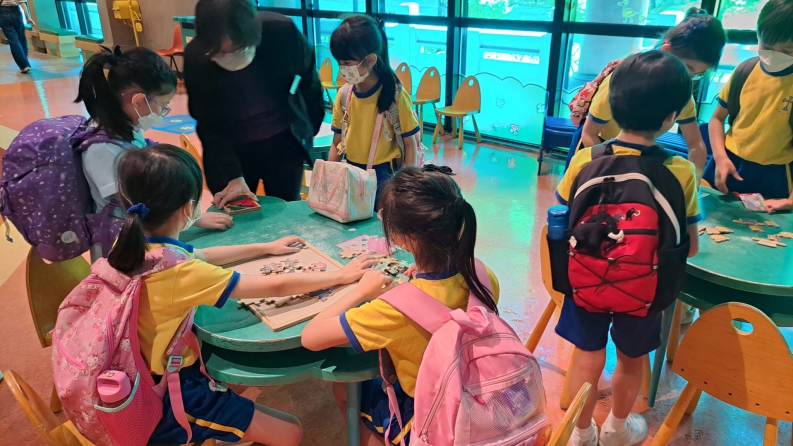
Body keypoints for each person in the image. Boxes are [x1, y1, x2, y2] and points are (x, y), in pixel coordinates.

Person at [109, 144, 378, 445]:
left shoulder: (134, 243)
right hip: (163, 396)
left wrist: (266, 248)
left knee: (244, 397)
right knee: (290, 432)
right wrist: (342, 276)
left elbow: (202, 254)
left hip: (137, 369)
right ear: (188, 209)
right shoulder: (179, 273)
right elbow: (274, 286)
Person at [556, 51, 700, 446]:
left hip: (586, 280)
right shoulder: (681, 171)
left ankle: (581, 433)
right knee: (631, 358)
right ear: (671, 117)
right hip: (644, 290)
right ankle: (618, 430)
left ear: (613, 106)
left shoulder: (584, 160)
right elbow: (690, 248)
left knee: (587, 355)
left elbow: (563, 217)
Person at [302, 166, 500, 445]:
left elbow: (310, 338)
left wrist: (360, 291)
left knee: (344, 389)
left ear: (402, 238)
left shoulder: (393, 310)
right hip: (478, 396)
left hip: (430, 415)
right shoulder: (481, 273)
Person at [76, 47, 232, 262]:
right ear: (139, 100)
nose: (164, 113)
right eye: (163, 105)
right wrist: (193, 219)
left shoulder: (128, 128)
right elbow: (135, 198)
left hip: (144, 236)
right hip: (124, 248)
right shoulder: (103, 148)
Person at [184, 0, 324, 206]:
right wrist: (232, 176)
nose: (228, 56)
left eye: (236, 49)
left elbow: (309, 82)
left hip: (284, 145)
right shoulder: (198, 58)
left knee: (286, 207)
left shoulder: (281, 32)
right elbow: (208, 125)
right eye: (219, 52)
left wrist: (307, 129)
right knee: (237, 212)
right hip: (233, 151)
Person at [569, 8, 726, 178]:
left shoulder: (682, 93)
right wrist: (615, 169)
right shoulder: (624, 79)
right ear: (666, 49)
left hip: (632, 154)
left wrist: (693, 183)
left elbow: (696, 145)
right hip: (596, 147)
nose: (688, 77)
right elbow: (589, 133)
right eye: (687, 68)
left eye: (696, 74)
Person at [706, 0, 793, 212]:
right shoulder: (744, 71)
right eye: (767, 47)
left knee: (766, 227)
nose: (775, 55)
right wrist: (720, 157)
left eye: (788, 51)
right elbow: (716, 119)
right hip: (729, 161)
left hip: (775, 174)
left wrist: (791, 201)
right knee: (713, 217)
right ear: (758, 35)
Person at [329, 15, 420, 204]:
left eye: (347, 64)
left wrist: (408, 186)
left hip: (384, 175)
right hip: (351, 171)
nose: (343, 70)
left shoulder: (395, 95)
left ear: (370, 60)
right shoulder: (344, 95)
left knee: (381, 220)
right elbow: (336, 142)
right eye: (339, 63)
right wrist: (329, 177)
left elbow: (409, 143)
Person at [0, 0, 35, 73]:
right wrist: (28, 17)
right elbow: (22, 2)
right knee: (21, 39)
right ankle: (24, 62)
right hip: (16, 13)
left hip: (3, 13)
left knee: (13, 40)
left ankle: (24, 65)